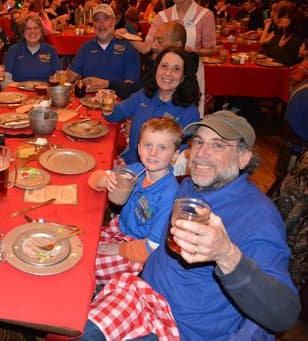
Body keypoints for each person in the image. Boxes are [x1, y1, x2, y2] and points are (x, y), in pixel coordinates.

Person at [80, 111, 301, 340]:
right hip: (142, 293)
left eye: (218, 145)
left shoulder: (258, 218)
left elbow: (284, 314)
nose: (201, 154)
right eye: (198, 142)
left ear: (243, 157)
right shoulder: (189, 186)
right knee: (70, 298)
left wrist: (226, 255)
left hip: (178, 328)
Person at [89, 117, 182, 285]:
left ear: (175, 155)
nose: (153, 153)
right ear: (139, 148)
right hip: (119, 229)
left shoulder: (169, 196)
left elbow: (152, 247)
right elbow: (95, 177)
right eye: (148, 145)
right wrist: (105, 180)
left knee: (89, 267)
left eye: (162, 147)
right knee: (82, 245)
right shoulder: (136, 171)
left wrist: (119, 249)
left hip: (138, 252)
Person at [100, 47, 200, 165]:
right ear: (156, 69)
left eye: (176, 69)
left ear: (183, 77)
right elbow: (116, 114)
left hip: (157, 171)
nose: (168, 73)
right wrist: (106, 103)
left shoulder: (190, 113)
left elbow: (182, 156)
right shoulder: (144, 95)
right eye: (164, 66)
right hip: (129, 161)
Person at [67, 4, 140, 86]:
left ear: (114, 21)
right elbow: (70, 77)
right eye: (97, 20)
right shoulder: (86, 48)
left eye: (105, 19)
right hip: (89, 98)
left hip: (118, 98)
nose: (101, 24)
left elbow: (130, 87)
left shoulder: (128, 48)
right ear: (93, 24)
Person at [131, 0, 216, 57]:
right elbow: (146, 47)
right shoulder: (161, 16)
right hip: (165, 73)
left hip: (192, 73)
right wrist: (126, 37)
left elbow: (211, 50)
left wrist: (194, 51)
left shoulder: (205, 16)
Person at [4, 15, 61, 82]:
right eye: (28, 28)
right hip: (19, 91)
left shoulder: (51, 50)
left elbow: (58, 76)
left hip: (44, 91)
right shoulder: (13, 50)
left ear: (41, 31)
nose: (32, 31)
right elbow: (6, 78)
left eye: (36, 28)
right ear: (23, 32)